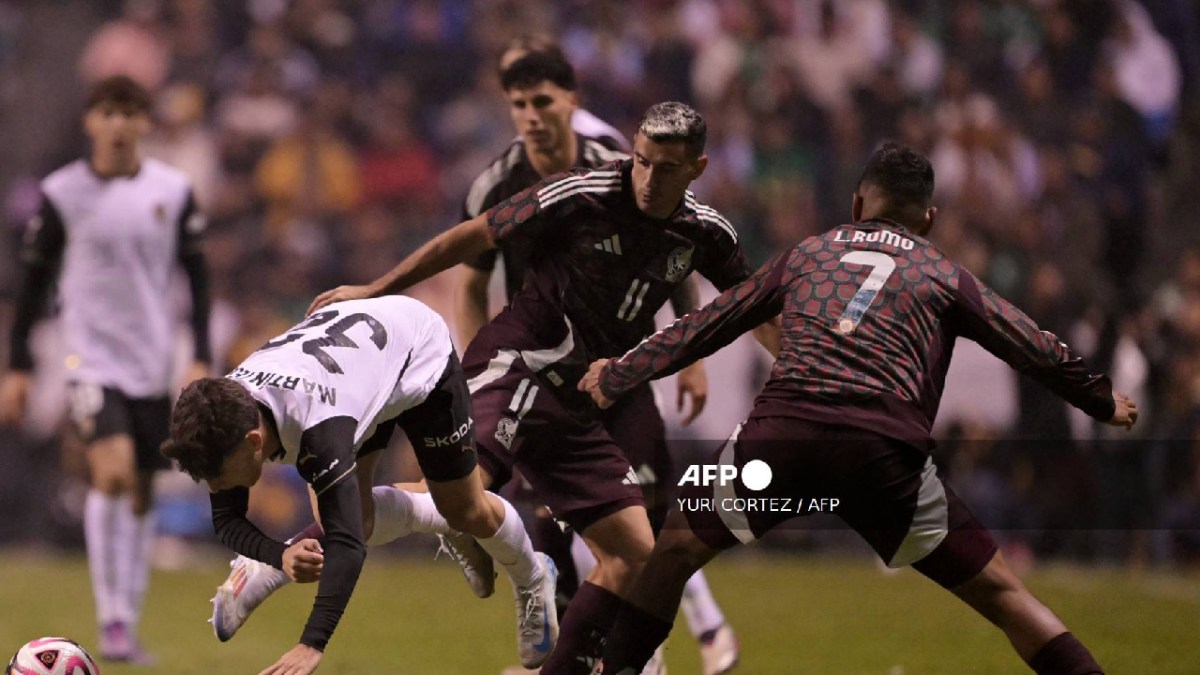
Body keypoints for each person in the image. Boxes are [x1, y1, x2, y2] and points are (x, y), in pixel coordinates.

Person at [577, 142, 1138, 675]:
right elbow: (1027, 339)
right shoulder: (942, 274)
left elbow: (708, 322)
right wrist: (1099, 398)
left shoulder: (810, 254)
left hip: (785, 439)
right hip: (884, 456)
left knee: (673, 548)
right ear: (928, 219)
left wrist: (620, 372)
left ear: (856, 205)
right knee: (1004, 595)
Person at [310, 101, 778, 674]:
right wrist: (376, 288)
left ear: (697, 168)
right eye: (643, 162)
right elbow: (472, 238)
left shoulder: (706, 233)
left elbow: (757, 309)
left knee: (635, 551)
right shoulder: (579, 194)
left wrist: (809, 371)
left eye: (667, 168)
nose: (650, 179)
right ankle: (267, 562)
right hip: (520, 364)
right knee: (466, 499)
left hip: (584, 399)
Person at [457, 47, 738, 675]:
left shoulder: (618, 163)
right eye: (519, 104)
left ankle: (656, 647)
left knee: (642, 519)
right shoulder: (493, 184)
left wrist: (686, 353)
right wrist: (472, 381)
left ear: (571, 103)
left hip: (625, 364)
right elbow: (470, 282)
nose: (531, 116)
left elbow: (676, 245)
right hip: (542, 372)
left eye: (542, 101)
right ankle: (570, 659)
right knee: (549, 529)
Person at [161, 295, 559, 675]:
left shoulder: (319, 428)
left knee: (464, 509)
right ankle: (269, 565)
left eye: (218, 475)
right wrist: (279, 554)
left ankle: (532, 575)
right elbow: (227, 519)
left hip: (417, 353)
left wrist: (311, 644)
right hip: (353, 370)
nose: (215, 485)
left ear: (253, 442)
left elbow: (347, 542)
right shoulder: (225, 410)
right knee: (355, 515)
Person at [0, 75, 212, 664]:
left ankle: (126, 617)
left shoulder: (172, 191)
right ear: (91, 121)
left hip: (151, 358)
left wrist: (197, 352)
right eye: (107, 112)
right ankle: (111, 617)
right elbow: (34, 281)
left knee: (142, 489)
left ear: (145, 122)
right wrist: (17, 366)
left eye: (129, 113)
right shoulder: (63, 194)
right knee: (112, 471)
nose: (118, 124)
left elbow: (197, 278)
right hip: (88, 358)